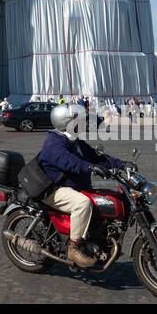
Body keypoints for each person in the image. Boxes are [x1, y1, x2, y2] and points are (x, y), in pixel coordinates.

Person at [37, 104, 124, 269]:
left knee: (103, 199)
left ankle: (96, 238)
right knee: (82, 203)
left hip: (72, 187)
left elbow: (97, 157)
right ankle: (74, 247)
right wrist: (90, 167)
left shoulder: (75, 141)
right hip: (53, 189)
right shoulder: (53, 142)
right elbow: (70, 162)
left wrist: (121, 164)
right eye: (79, 121)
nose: (82, 124)